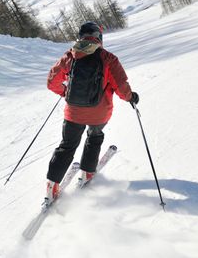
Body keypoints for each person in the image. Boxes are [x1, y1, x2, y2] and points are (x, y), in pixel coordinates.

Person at [45, 21, 138, 203]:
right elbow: (121, 87)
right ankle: (87, 173)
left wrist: (65, 92)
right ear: (99, 37)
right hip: (99, 113)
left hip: (73, 113)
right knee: (94, 138)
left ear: (80, 36)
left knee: (67, 146)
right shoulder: (108, 58)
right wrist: (131, 97)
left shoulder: (70, 56)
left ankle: (51, 186)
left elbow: (51, 81)